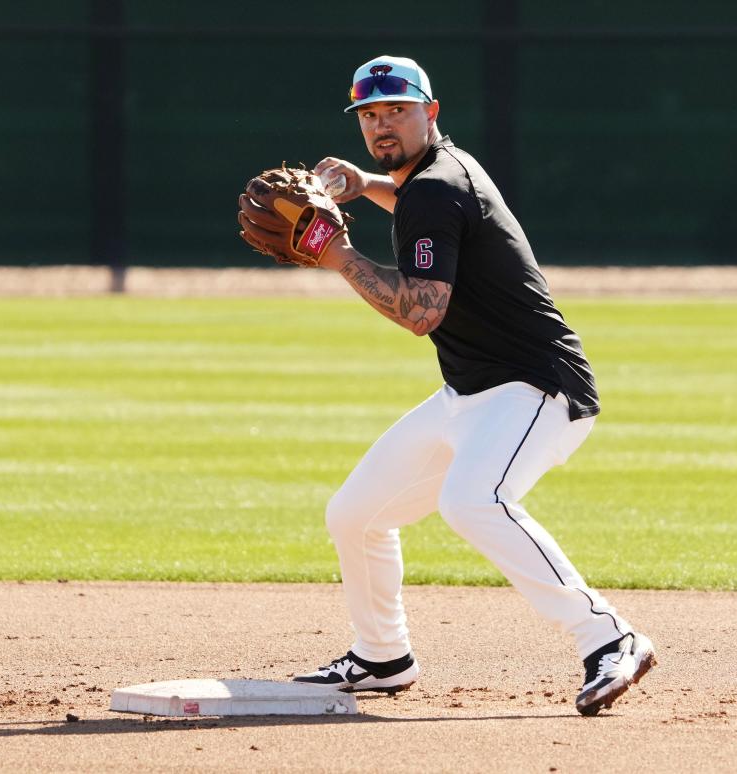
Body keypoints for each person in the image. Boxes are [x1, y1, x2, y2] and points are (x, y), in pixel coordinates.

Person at [270, 55, 655, 716]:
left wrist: (336, 253)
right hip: (472, 394)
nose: (383, 124)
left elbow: (421, 312)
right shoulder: (438, 173)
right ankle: (382, 654)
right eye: (370, 114)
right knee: (355, 514)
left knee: (474, 500)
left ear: (431, 112)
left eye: (397, 109)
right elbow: (427, 213)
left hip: (537, 388)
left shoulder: (432, 188)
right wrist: (364, 183)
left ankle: (609, 636)